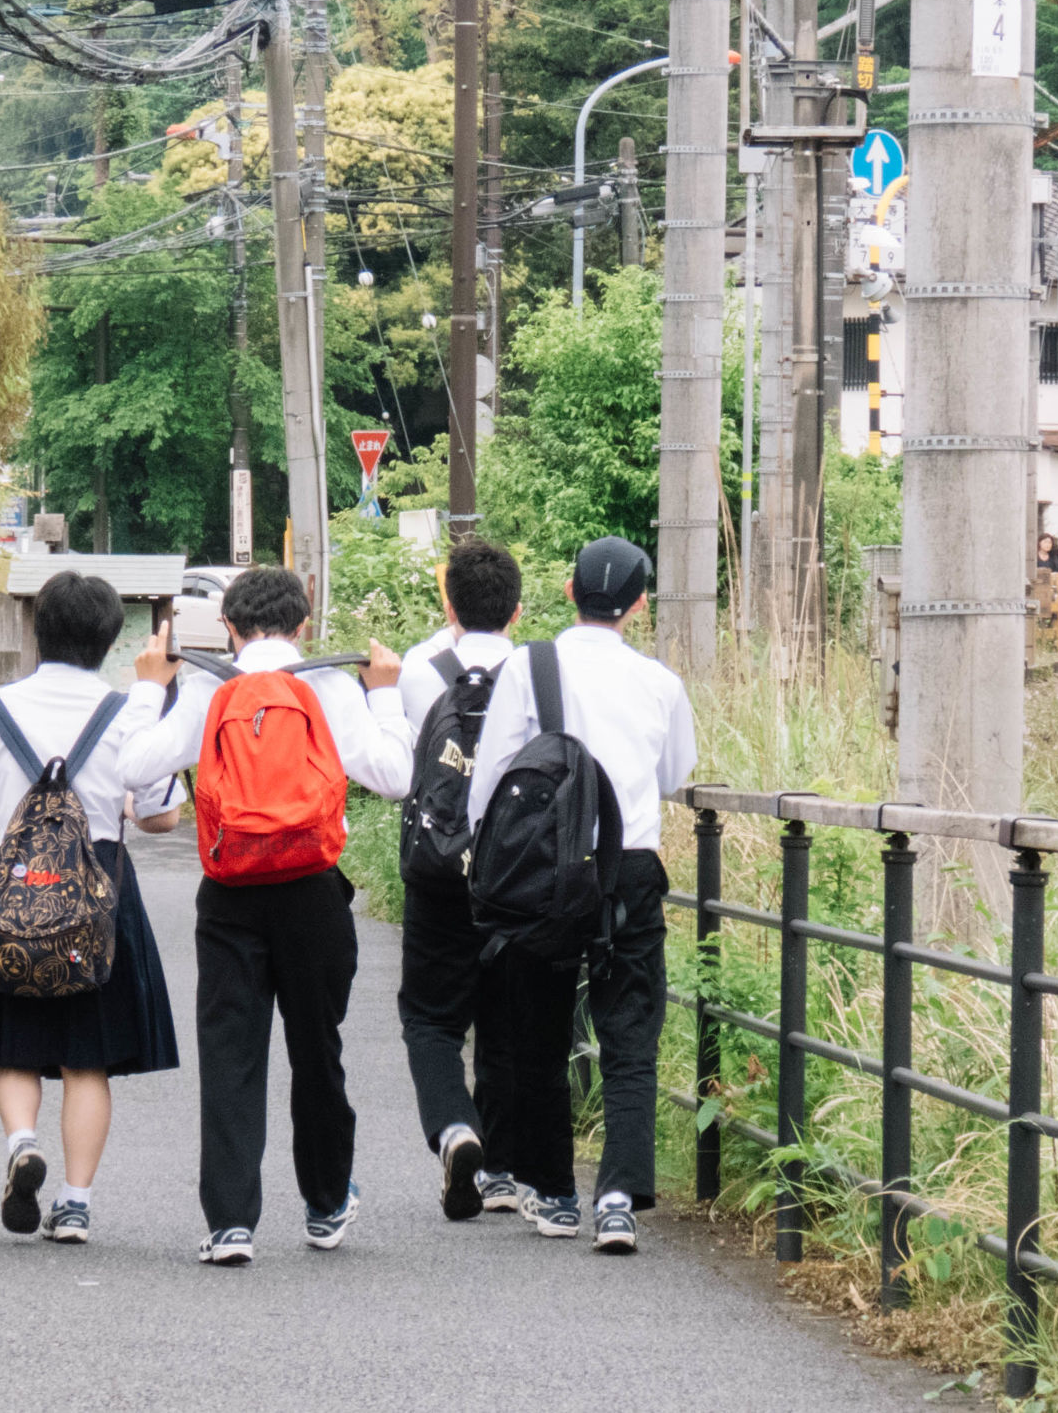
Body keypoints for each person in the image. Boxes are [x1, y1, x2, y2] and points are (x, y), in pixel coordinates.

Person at [114, 567, 413, 1266]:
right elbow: (395, 777)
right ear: (304, 624)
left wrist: (148, 688)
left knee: (230, 1054)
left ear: (228, 627)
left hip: (231, 893)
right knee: (317, 1048)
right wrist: (389, 697)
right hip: (312, 889)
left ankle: (230, 1223)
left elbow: (132, 767)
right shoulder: (331, 685)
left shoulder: (208, 687)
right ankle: (326, 1202)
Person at [465, 536, 697, 1255]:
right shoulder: (659, 683)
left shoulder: (529, 666)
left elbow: (492, 780)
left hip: (545, 867)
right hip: (628, 866)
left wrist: (488, 864)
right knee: (630, 1031)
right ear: (638, 604)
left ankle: (557, 1195)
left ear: (568, 592)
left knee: (540, 1031)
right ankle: (620, 1198)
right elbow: (674, 773)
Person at [0, 572, 184, 1244]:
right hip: (95, 897)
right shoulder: (126, 713)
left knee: (13, 1044)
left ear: (35, 630)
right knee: (86, 1059)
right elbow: (164, 815)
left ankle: (22, 1141)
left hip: (11, 892)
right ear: (110, 640)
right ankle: (75, 1203)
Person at [393, 537, 522, 1220]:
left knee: (431, 1019)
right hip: (514, 870)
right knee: (504, 1015)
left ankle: (454, 1129)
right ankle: (500, 1169)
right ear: (518, 610)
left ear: (448, 603)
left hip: (440, 869)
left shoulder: (420, 669)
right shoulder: (539, 675)